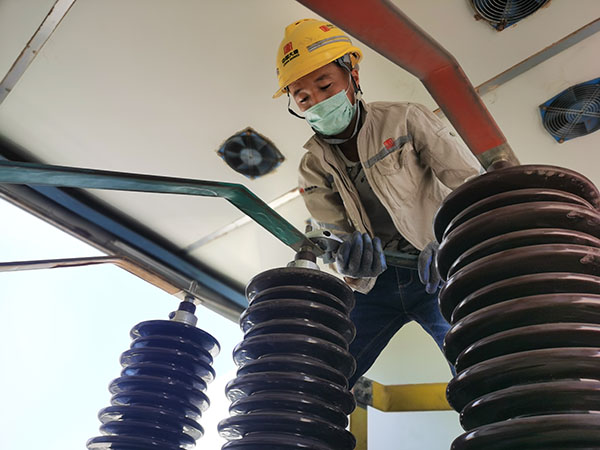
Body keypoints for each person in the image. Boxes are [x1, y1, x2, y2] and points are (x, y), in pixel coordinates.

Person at [273, 18, 482, 387]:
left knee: (477, 358)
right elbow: (336, 238)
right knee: (324, 375)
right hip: (375, 285)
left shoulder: (406, 119)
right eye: (303, 98)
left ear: (353, 76)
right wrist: (348, 263)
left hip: (436, 270)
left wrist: (452, 245)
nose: (318, 101)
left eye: (325, 85)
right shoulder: (312, 168)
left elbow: (470, 187)